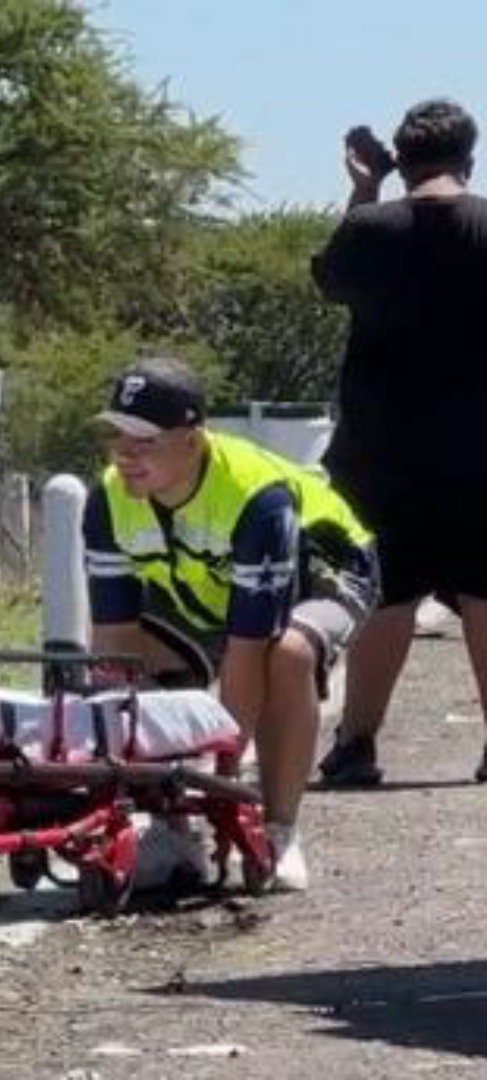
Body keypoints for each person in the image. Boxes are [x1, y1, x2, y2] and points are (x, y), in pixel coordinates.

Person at [82, 357, 376, 892]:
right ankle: (174, 832)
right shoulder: (107, 498)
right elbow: (114, 641)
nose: (125, 454)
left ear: (192, 440)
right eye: (115, 435)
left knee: (285, 656)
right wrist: (143, 787)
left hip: (325, 577)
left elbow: (247, 651)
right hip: (204, 593)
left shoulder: (255, 498)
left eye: (144, 441)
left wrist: (218, 782)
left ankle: (279, 830)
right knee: (126, 665)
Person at [311, 98, 487, 787]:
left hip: (384, 445)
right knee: (485, 589)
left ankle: (356, 745)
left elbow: (330, 281)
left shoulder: (369, 228)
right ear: (469, 158)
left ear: (401, 159)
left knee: (389, 595)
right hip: (481, 444)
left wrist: (364, 187)